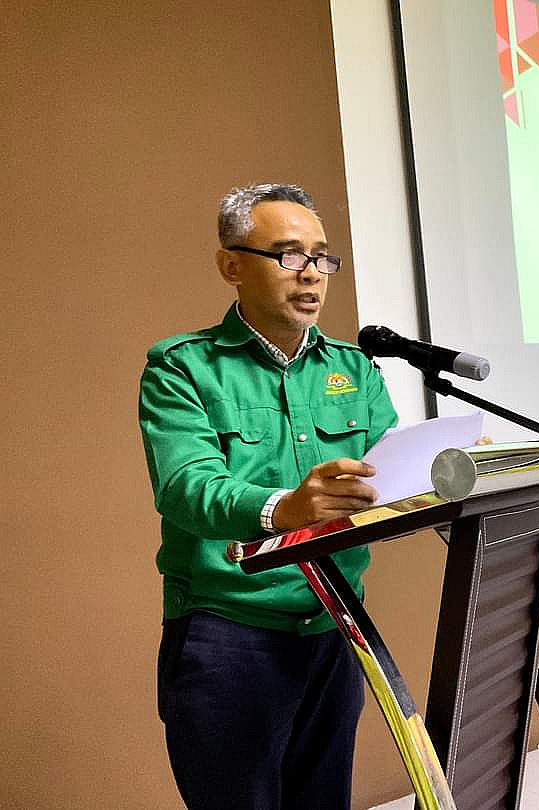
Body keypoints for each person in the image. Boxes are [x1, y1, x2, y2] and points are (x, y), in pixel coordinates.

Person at [138, 183, 397, 810]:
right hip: (229, 634)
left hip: (337, 625)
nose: (311, 273)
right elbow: (186, 487)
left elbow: (392, 473)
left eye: (322, 256)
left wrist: (457, 471)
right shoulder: (183, 367)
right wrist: (285, 508)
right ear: (232, 266)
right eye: (289, 254)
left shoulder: (356, 369)